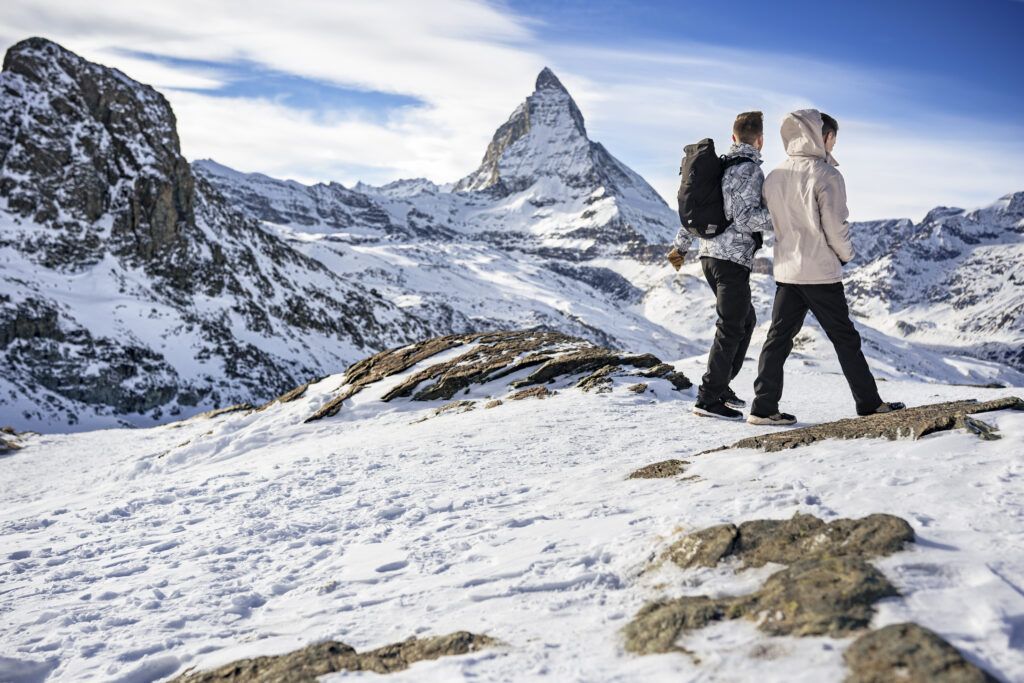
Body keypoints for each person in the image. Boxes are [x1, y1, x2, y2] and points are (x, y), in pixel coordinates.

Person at [748, 109, 904, 425]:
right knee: (845, 339)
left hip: (787, 271)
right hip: (820, 272)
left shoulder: (775, 176)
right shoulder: (827, 175)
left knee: (777, 340)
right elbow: (835, 225)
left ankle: (763, 408)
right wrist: (845, 256)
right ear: (824, 137)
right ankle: (869, 404)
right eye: (833, 138)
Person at [667, 111, 774, 420]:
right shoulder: (749, 170)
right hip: (730, 261)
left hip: (709, 258)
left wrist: (678, 253)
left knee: (745, 321)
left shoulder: (717, 166)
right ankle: (708, 398)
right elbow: (744, 218)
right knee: (730, 327)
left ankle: (721, 384)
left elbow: (695, 214)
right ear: (760, 140)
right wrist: (782, 217)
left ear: (733, 137)